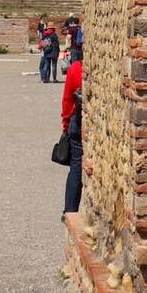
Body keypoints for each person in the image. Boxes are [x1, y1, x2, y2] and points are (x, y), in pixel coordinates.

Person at [61, 48, 85, 215]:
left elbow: (67, 99)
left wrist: (65, 123)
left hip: (77, 122)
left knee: (76, 167)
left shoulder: (75, 69)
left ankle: (70, 210)